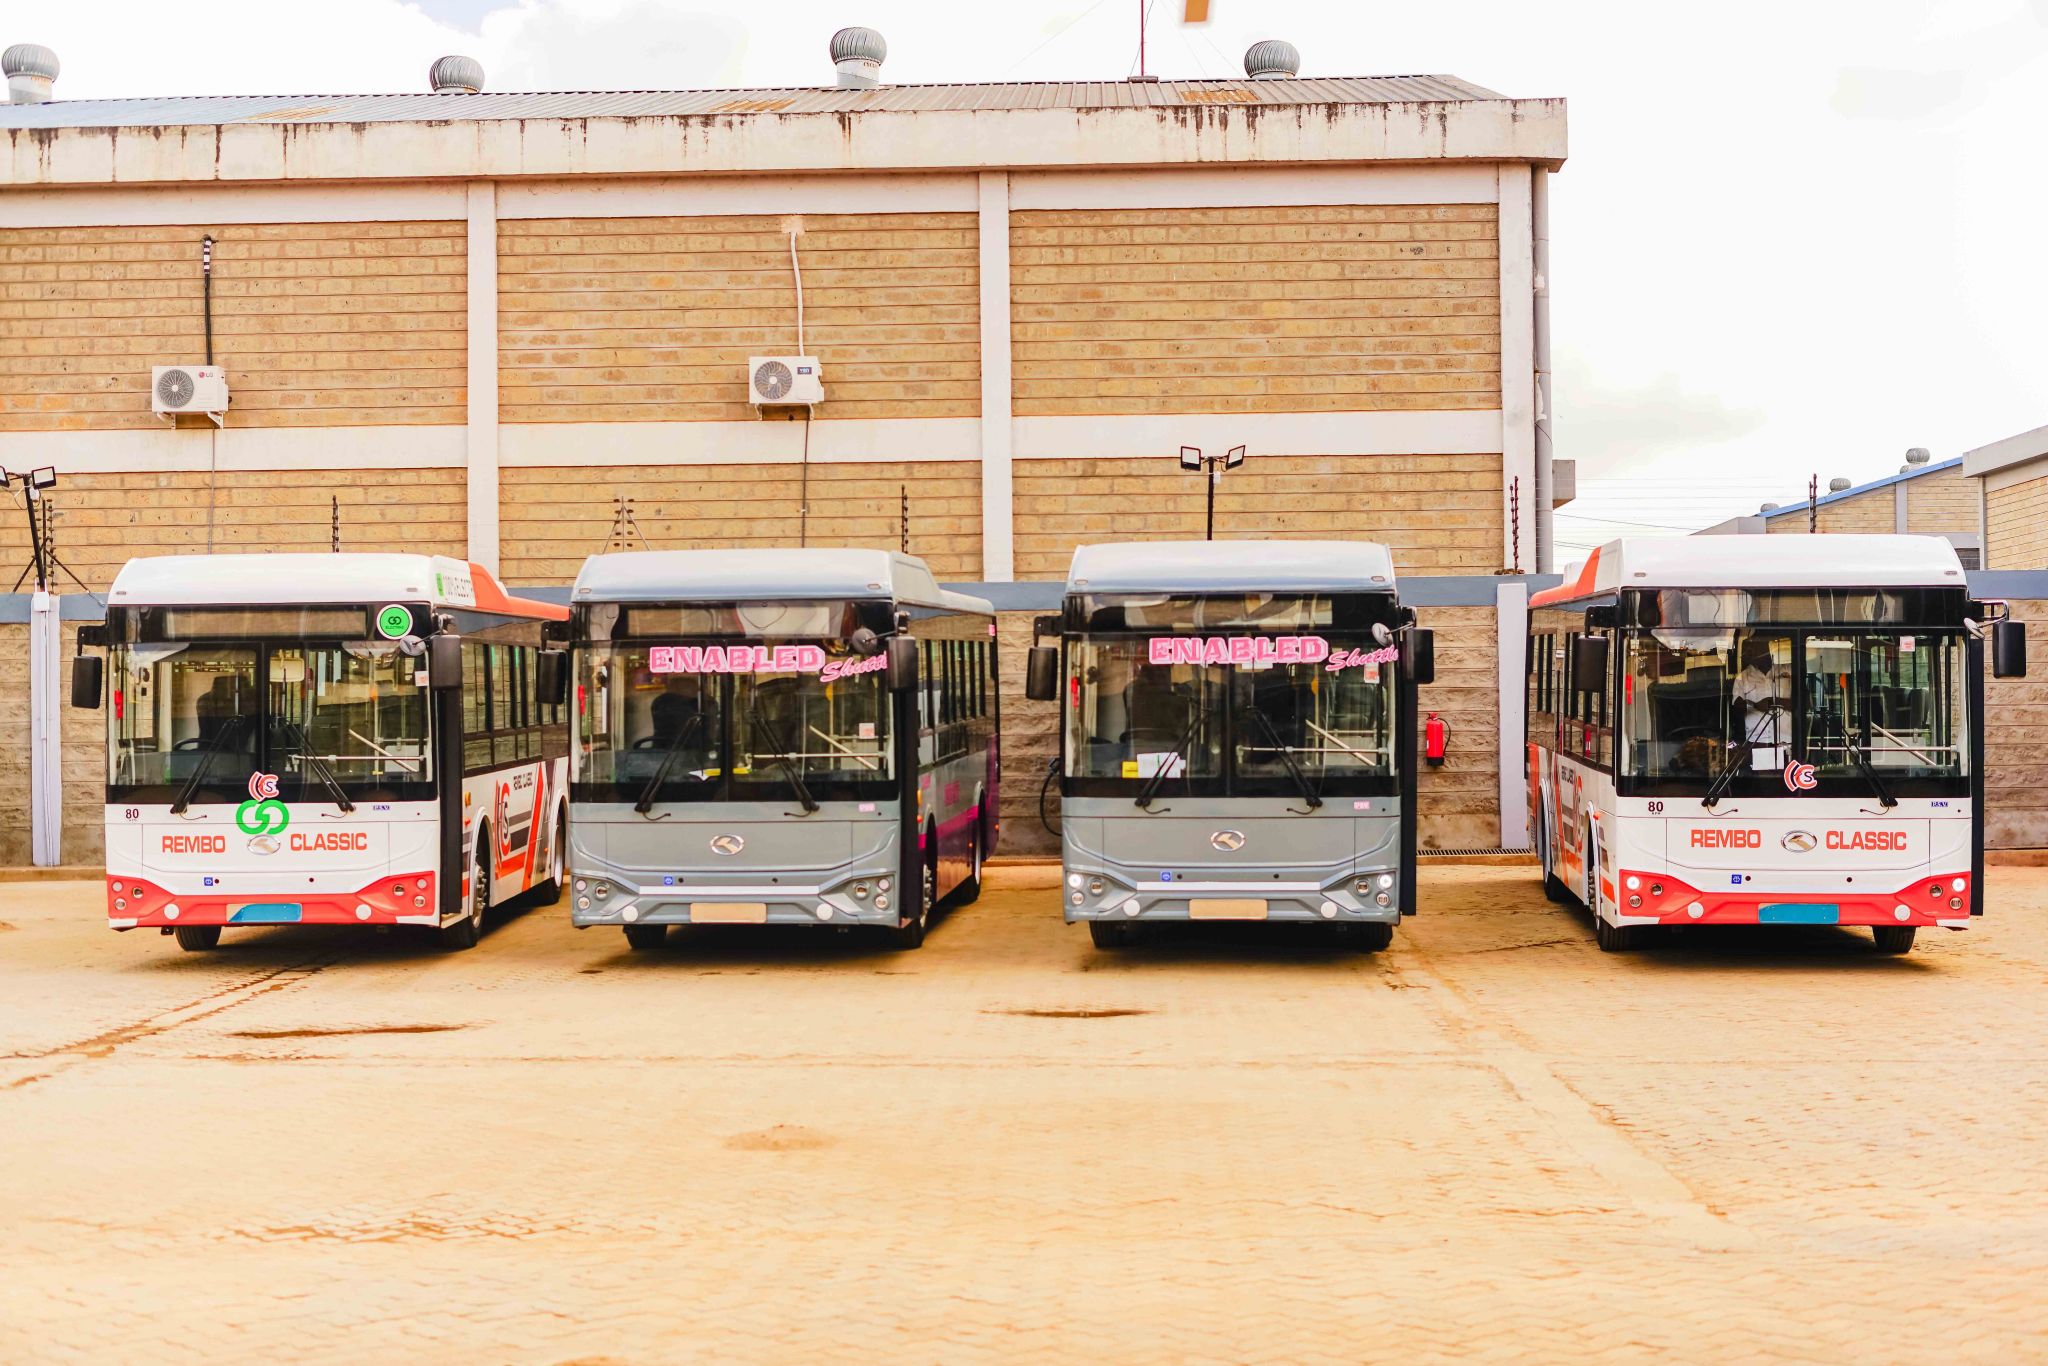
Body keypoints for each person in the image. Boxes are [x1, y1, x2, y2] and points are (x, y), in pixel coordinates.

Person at [1731, 639, 1788, 769]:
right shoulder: (1743, 677)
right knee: (1764, 784)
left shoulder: (1788, 671)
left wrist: (1773, 702)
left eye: (1756, 647)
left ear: (1769, 648)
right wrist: (1754, 704)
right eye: (1750, 648)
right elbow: (1736, 707)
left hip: (1788, 742)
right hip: (1758, 741)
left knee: (1790, 783)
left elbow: (1804, 703)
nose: (1751, 651)